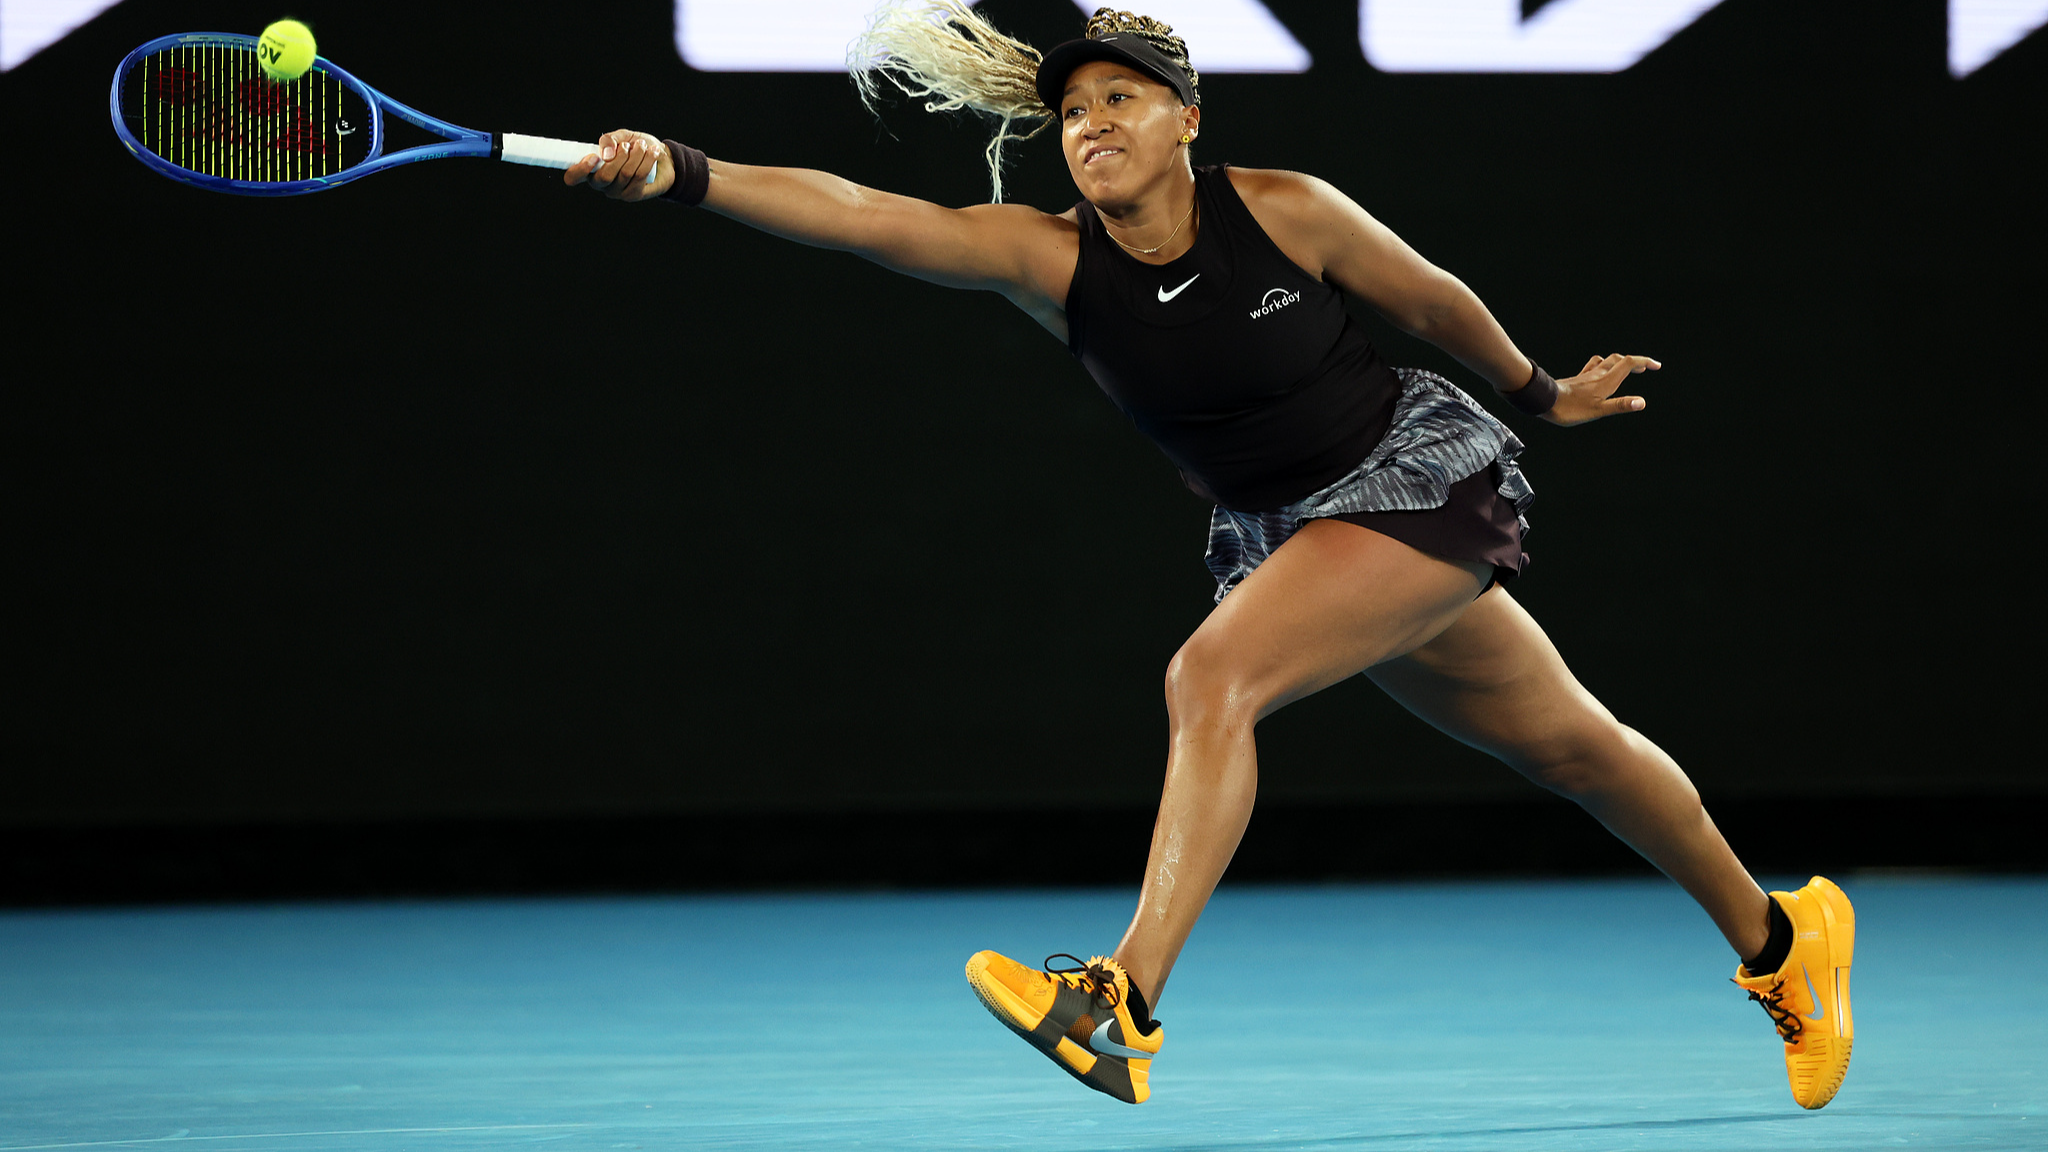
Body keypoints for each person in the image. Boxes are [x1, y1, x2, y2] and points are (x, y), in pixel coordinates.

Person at [564, 2, 1853, 1112]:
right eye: (1073, 112)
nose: (1093, 125)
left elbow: (1429, 296)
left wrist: (1538, 387)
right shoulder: (1046, 259)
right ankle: (1783, 940)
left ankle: (1118, 1001)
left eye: (1122, 98)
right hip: (1290, 529)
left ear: (1187, 118)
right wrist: (680, 169)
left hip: (1418, 479)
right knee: (1575, 749)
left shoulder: (1285, 210)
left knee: (1210, 680)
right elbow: (859, 214)